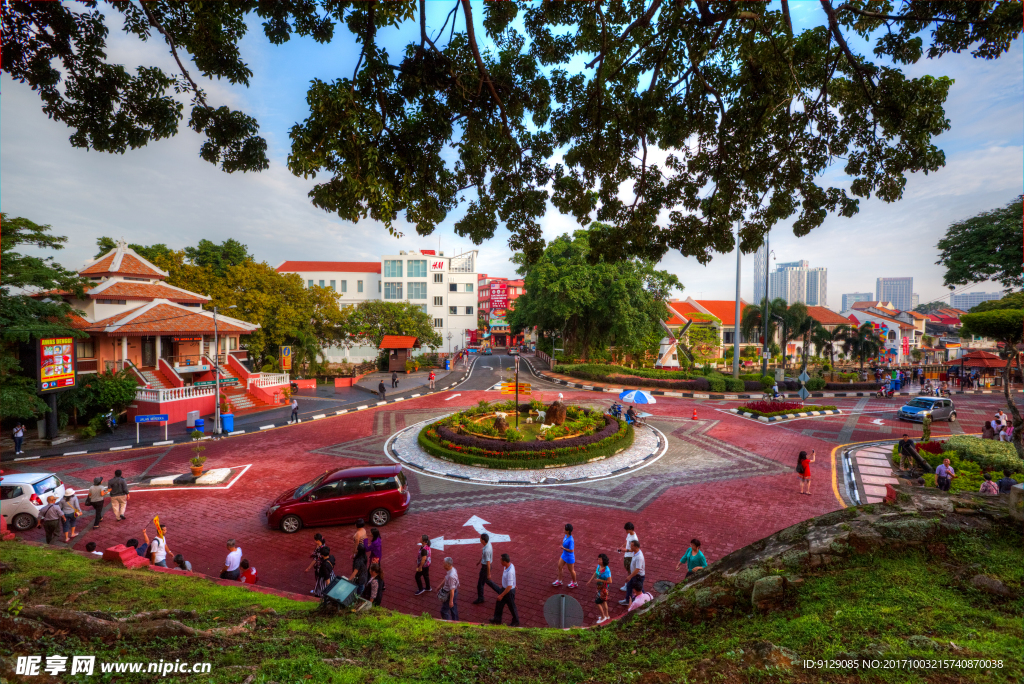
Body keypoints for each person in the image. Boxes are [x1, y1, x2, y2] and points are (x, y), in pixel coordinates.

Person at [489, 553, 520, 627]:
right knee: (499, 604)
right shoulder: (509, 566)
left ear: (505, 562)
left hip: (508, 591)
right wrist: (514, 584)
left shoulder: (510, 572)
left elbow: (509, 586)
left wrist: (501, 595)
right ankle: (497, 619)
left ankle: (516, 621)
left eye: (501, 560)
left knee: (512, 606)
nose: (500, 562)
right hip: (505, 588)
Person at [473, 533, 501, 604]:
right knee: (487, 582)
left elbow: (488, 563)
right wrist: (480, 561)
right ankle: (500, 591)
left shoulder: (486, 550)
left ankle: (480, 598)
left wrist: (489, 574)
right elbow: (484, 556)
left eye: (481, 539)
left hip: (485, 568)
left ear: (483, 540)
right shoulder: (488, 544)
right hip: (485, 567)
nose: (480, 539)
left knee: (480, 584)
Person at [587, 553, 612, 624]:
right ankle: (607, 616)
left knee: (597, 602)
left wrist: (600, 580)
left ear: (603, 561)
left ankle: (603, 617)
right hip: (599, 587)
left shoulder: (606, 571)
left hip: (603, 589)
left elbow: (610, 581)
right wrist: (590, 580)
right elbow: (596, 573)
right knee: (604, 601)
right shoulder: (599, 566)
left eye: (600, 559)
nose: (598, 560)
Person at [619, 540, 645, 606]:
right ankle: (628, 600)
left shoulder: (639, 557)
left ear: (635, 547)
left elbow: (637, 569)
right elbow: (631, 550)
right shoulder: (636, 551)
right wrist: (625, 550)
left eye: (632, 546)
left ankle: (644, 601)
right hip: (635, 575)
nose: (630, 547)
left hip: (637, 576)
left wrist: (630, 576)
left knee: (639, 588)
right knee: (630, 586)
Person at [552, 523, 577, 588]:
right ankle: (559, 581)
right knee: (559, 566)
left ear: (568, 531)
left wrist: (564, 548)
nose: (563, 530)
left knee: (571, 570)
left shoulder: (571, 540)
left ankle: (575, 583)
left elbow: (572, 550)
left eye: (564, 529)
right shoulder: (566, 536)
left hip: (569, 557)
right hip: (564, 555)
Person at [617, 522, 639, 592]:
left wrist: (625, 550)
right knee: (628, 570)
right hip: (627, 555)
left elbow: (634, 549)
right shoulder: (629, 534)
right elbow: (627, 542)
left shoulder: (634, 538)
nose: (626, 531)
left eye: (627, 530)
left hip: (630, 556)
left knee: (630, 571)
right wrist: (622, 546)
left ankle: (628, 585)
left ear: (630, 529)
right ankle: (628, 584)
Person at [439, 557, 459, 621]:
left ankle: (448, 622)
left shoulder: (451, 576)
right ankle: (456, 622)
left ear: (447, 565)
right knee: (453, 609)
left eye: (444, 564)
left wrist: (451, 601)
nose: (443, 565)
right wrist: (440, 586)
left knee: (444, 611)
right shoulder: (452, 570)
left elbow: (452, 589)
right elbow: (446, 578)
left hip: (449, 594)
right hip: (453, 593)